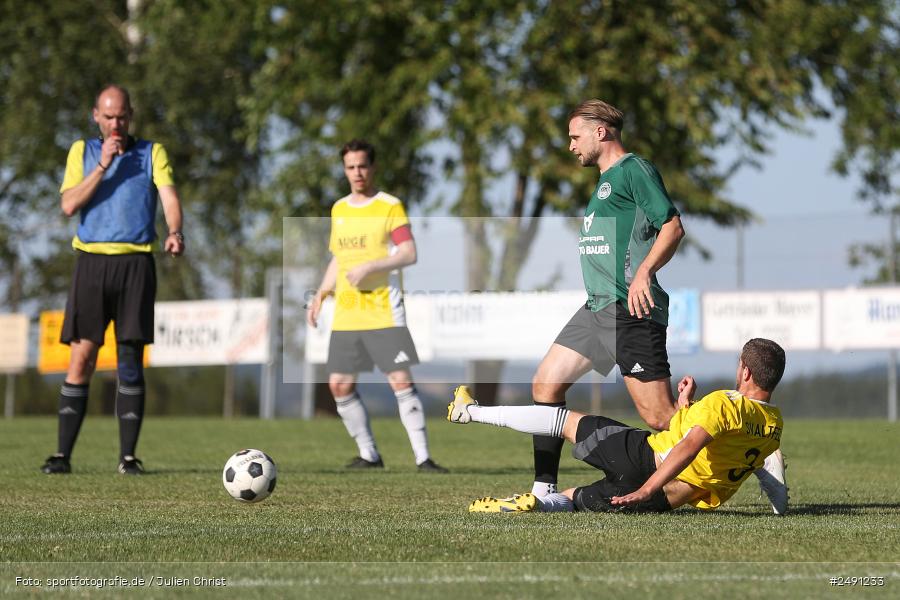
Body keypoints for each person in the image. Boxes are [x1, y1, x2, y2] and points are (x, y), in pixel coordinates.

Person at [528, 98, 686, 499]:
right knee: (545, 385)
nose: (570, 146)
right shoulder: (604, 182)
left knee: (661, 418)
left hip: (629, 309)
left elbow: (672, 226)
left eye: (574, 136)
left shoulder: (634, 170)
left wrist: (644, 272)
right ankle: (544, 488)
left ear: (601, 132)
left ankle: (750, 449)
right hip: (597, 307)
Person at [450, 338, 789, 515]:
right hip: (669, 499)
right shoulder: (773, 425)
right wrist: (685, 404)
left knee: (561, 420)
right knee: (574, 499)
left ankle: (470, 412)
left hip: (643, 461)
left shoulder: (724, 403)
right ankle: (540, 504)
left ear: (745, 371)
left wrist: (647, 488)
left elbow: (688, 447)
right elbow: (721, 446)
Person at [41, 84, 184, 476]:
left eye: (122, 116)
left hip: (136, 263)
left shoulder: (152, 152)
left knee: (130, 360)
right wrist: (103, 165)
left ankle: (128, 458)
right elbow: (69, 204)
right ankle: (62, 455)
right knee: (82, 357)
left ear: (130, 115)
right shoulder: (81, 151)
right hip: (92, 263)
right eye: (108, 117)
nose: (116, 124)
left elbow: (169, 197)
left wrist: (175, 231)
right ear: (96, 116)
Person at [306, 139, 447, 473]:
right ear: (344, 170)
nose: (357, 172)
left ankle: (423, 458)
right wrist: (321, 293)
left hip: (384, 310)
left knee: (399, 380)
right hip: (347, 313)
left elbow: (409, 253)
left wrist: (370, 267)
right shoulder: (339, 209)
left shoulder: (389, 206)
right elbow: (338, 259)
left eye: (362, 166)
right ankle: (369, 454)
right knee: (339, 385)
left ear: (373, 167)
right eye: (350, 167)